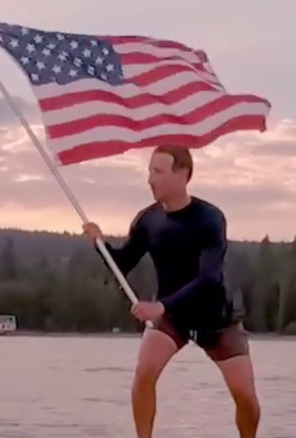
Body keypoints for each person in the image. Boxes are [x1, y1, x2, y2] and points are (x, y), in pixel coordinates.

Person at [82, 145, 260, 438]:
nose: (150, 179)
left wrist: (161, 306)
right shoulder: (148, 220)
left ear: (183, 175)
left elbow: (208, 277)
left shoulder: (210, 218)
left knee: (246, 397)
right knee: (144, 374)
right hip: (173, 316)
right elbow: (123, 263)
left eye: (158, 172)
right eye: (150, 171)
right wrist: (100, 245)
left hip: (216, 317)